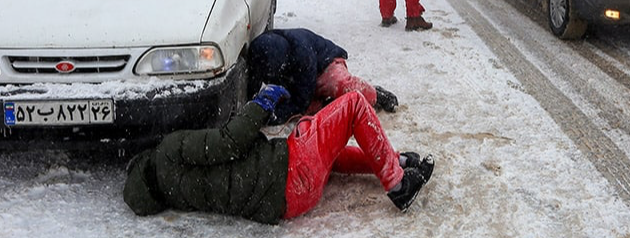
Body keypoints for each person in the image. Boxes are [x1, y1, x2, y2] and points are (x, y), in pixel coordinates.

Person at [123, 85, 435, 224]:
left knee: (324, 148)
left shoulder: (174, 192)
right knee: (352, 105)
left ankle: (399, 162)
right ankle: (398, 186)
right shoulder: (168, 152)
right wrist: (261, 102)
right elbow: (230, 141)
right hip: (287, 167)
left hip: (289, 201)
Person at [247, 28, 398, 124]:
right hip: (298, 81)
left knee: (342, 87)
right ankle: (328, 104)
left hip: (325, 66)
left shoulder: (301, 52)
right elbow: (253, 82)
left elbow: (301, 100)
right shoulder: (260, 51)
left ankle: (375, 94)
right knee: (310, 115)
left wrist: (276, 116)